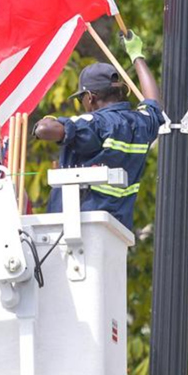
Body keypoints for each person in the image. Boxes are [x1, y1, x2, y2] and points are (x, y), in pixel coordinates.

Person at [32, 31, 163, 230]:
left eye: (80, 98)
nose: (81, 103)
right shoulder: (142, 123)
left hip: (78, 231)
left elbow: (43, 130)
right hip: (116, 232)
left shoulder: (94, 123)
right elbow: (154, 103)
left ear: (91, 97)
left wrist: (48, 119)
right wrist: (137, 56)